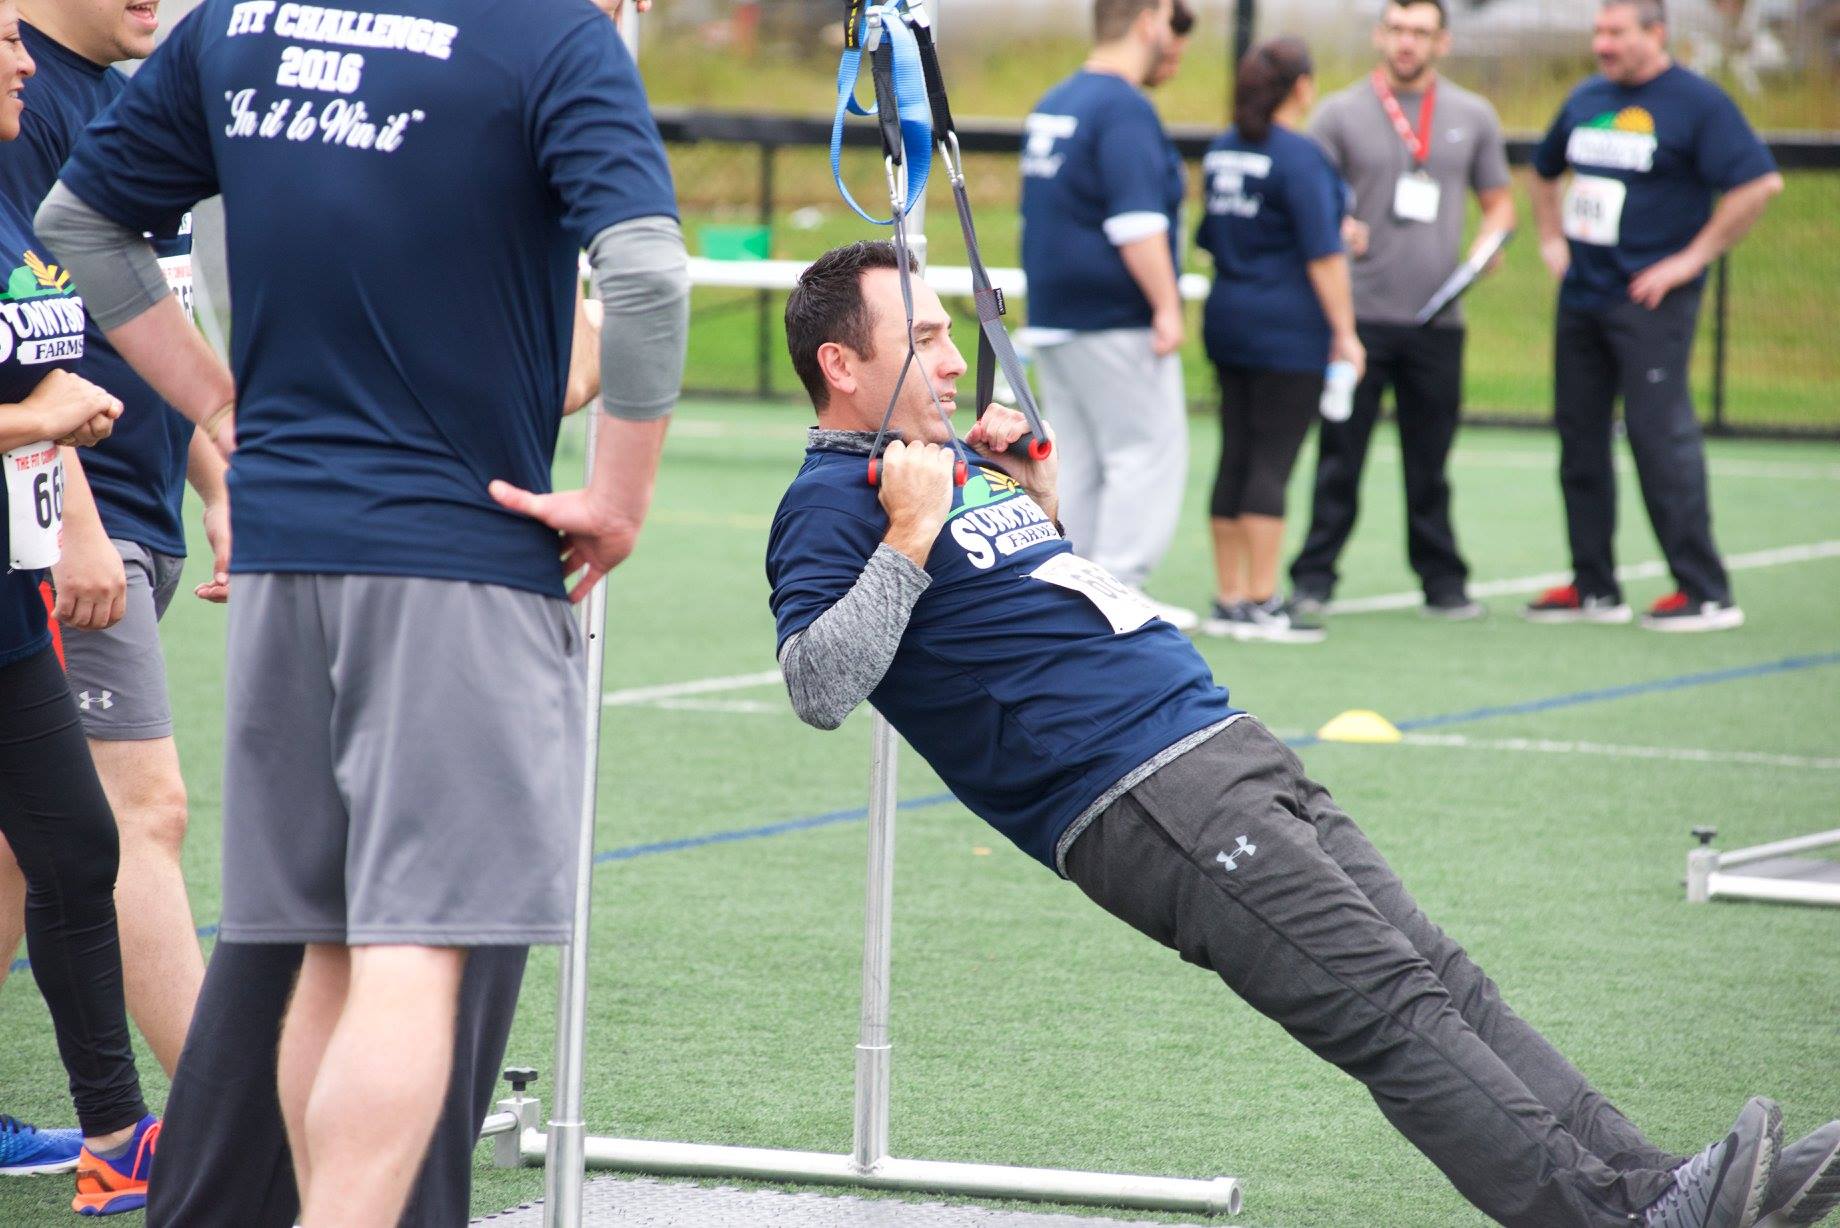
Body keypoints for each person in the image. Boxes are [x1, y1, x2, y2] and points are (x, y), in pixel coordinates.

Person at [765, 240, 1840, 1228]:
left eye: (952, 332)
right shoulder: (831, 499)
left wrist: (1041, 505)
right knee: (1388, 1009)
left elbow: (1028, 616)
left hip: (1220, 740)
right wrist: (909, 533)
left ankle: (1658, 1187)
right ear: (842, 366)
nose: (957, 359)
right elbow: (818, 683)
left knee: (1443, 978)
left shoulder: (942, 464)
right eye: (925, 337)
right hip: (1140, 797)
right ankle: (1621, 1220)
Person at [37, 0, 688, 1222]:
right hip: (456, 559)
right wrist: (618, 495)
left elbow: (81, 223)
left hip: (286, 562)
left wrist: (223, 408)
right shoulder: (548, 35)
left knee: (322, 956)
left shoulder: (236, 23)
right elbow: (646, 271)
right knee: (414, 955)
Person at [0, 0, 234, 1108]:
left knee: (25, 842)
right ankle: (223, 1125)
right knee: (143, 811)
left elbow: (150, 315)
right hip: (85, 530)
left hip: (145, 508)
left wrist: (219, 476)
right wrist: (78, 525)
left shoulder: (127, 93)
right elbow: (26, 346)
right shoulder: (23, 101)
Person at [0, 2, 163, 1214]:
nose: (23, 62)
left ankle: (117, 1140)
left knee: (77, 846)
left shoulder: (17, 197)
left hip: (9, 601)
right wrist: (36, 419)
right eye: (1, 45)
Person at [1525, 0, 1781, 632]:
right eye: (1598, 31)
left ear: (1655, 33)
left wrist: (1690, 260)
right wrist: (1552, 239)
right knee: (1579, 440)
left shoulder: (1698, 103)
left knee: (1658, 437)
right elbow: (1543, 171)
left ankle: (1704, 591)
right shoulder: (1586, 98)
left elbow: (1758, 184)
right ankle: (1594, 587)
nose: (1602, 43)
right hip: (1582, 297)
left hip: (1650, 302)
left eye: (1616, 32)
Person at [1285, 0, 1514, 621]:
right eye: (1397, 30)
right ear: (1380, 35)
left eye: (1420, 32)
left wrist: (1490, 241)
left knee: (1430, 463)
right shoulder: (1339, 114)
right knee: (1339, 458)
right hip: (1356, 322)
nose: (1407, 42)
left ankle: (1443, 582)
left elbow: (1499, 203)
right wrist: (1336, 223)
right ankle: (1314, 577)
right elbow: (1305, 198)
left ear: (1442, 43)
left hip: (1438, 322)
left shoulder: (1473, 115)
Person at [1020, 0, 1196, 630]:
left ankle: (1077, 589)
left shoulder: (1058, 99)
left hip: (1056, 312)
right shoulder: (1123, 108)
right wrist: (1167, 306)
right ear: (1148, 20)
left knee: (1082, 460)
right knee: (1144, 451)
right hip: (1113, 316)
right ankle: (1118, 590)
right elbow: (1136, 223)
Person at [1194, 38, 1358, 644]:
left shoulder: (1223, 149)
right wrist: (1346, 333)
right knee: (1272, 461)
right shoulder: (1300, 155)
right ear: (1301, 87)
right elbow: (1323, 256)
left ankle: (1229, 596)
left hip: (1228, 317)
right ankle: (1263, 600)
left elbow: (1214, 234)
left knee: (1235, 453)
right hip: (1286, 327)